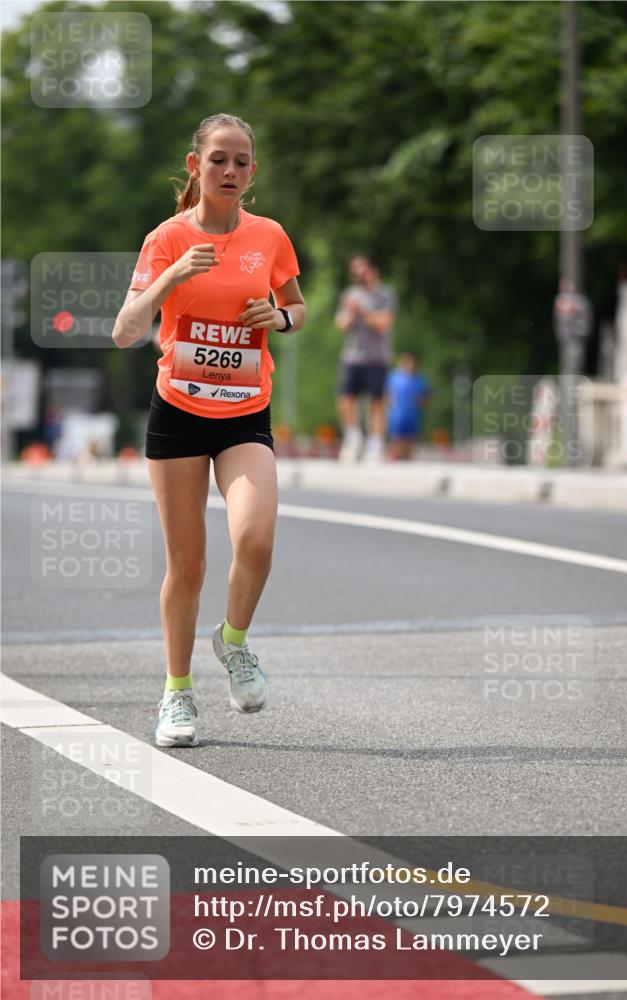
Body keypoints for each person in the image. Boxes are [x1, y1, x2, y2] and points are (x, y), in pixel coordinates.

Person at [112, 113, 306, 748]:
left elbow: (297, 306)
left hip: (245, 412)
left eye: (241, 162)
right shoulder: (166, 238)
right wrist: (173, 276)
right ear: (195, 166)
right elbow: (125, 331)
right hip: (178, 415)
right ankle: (177, 692)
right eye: (218, 159)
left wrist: (278, 318)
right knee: (188, 565)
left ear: (253, 172)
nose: (230, 171)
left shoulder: (268, 235)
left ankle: (234, 641)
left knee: (256, 539)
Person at [334, 254, 397, 462]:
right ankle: (353, 437)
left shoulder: (385, 294)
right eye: (355, 269)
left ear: (372, 270)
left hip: (376, 357)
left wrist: (363, 311)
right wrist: (351, 314)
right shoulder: (350, 294)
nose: (358, 273)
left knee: (377, 402)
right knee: (346, 399)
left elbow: (384, 323)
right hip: (352, 356)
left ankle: (375, 444)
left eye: (361, 268)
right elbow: (341, 324)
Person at [386, 353, 430, 461]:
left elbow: (425, 396)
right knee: (396, 436)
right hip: (397, 412)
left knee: (410, 437)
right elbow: (387, 394)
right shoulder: (394, 378)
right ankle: (395, 455)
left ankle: (406, 457)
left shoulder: (419, 379)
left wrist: (419, 402)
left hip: (412, 413)